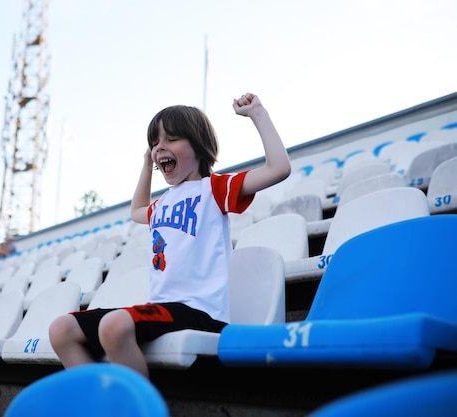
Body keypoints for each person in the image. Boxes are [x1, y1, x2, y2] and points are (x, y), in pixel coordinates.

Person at [49, 92, 291, 378]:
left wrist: (258, 114)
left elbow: (279, 168)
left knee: (114, 326)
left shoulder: (213, 189)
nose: (159, 147)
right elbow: (137, 210)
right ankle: (100, 404)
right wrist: (144, 165)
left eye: (171, 139)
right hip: (163, 309)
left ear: (199, 147)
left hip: (202, 312)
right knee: (61, 329)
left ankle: (138, 408)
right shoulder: (162, 203)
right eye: (155, 143)